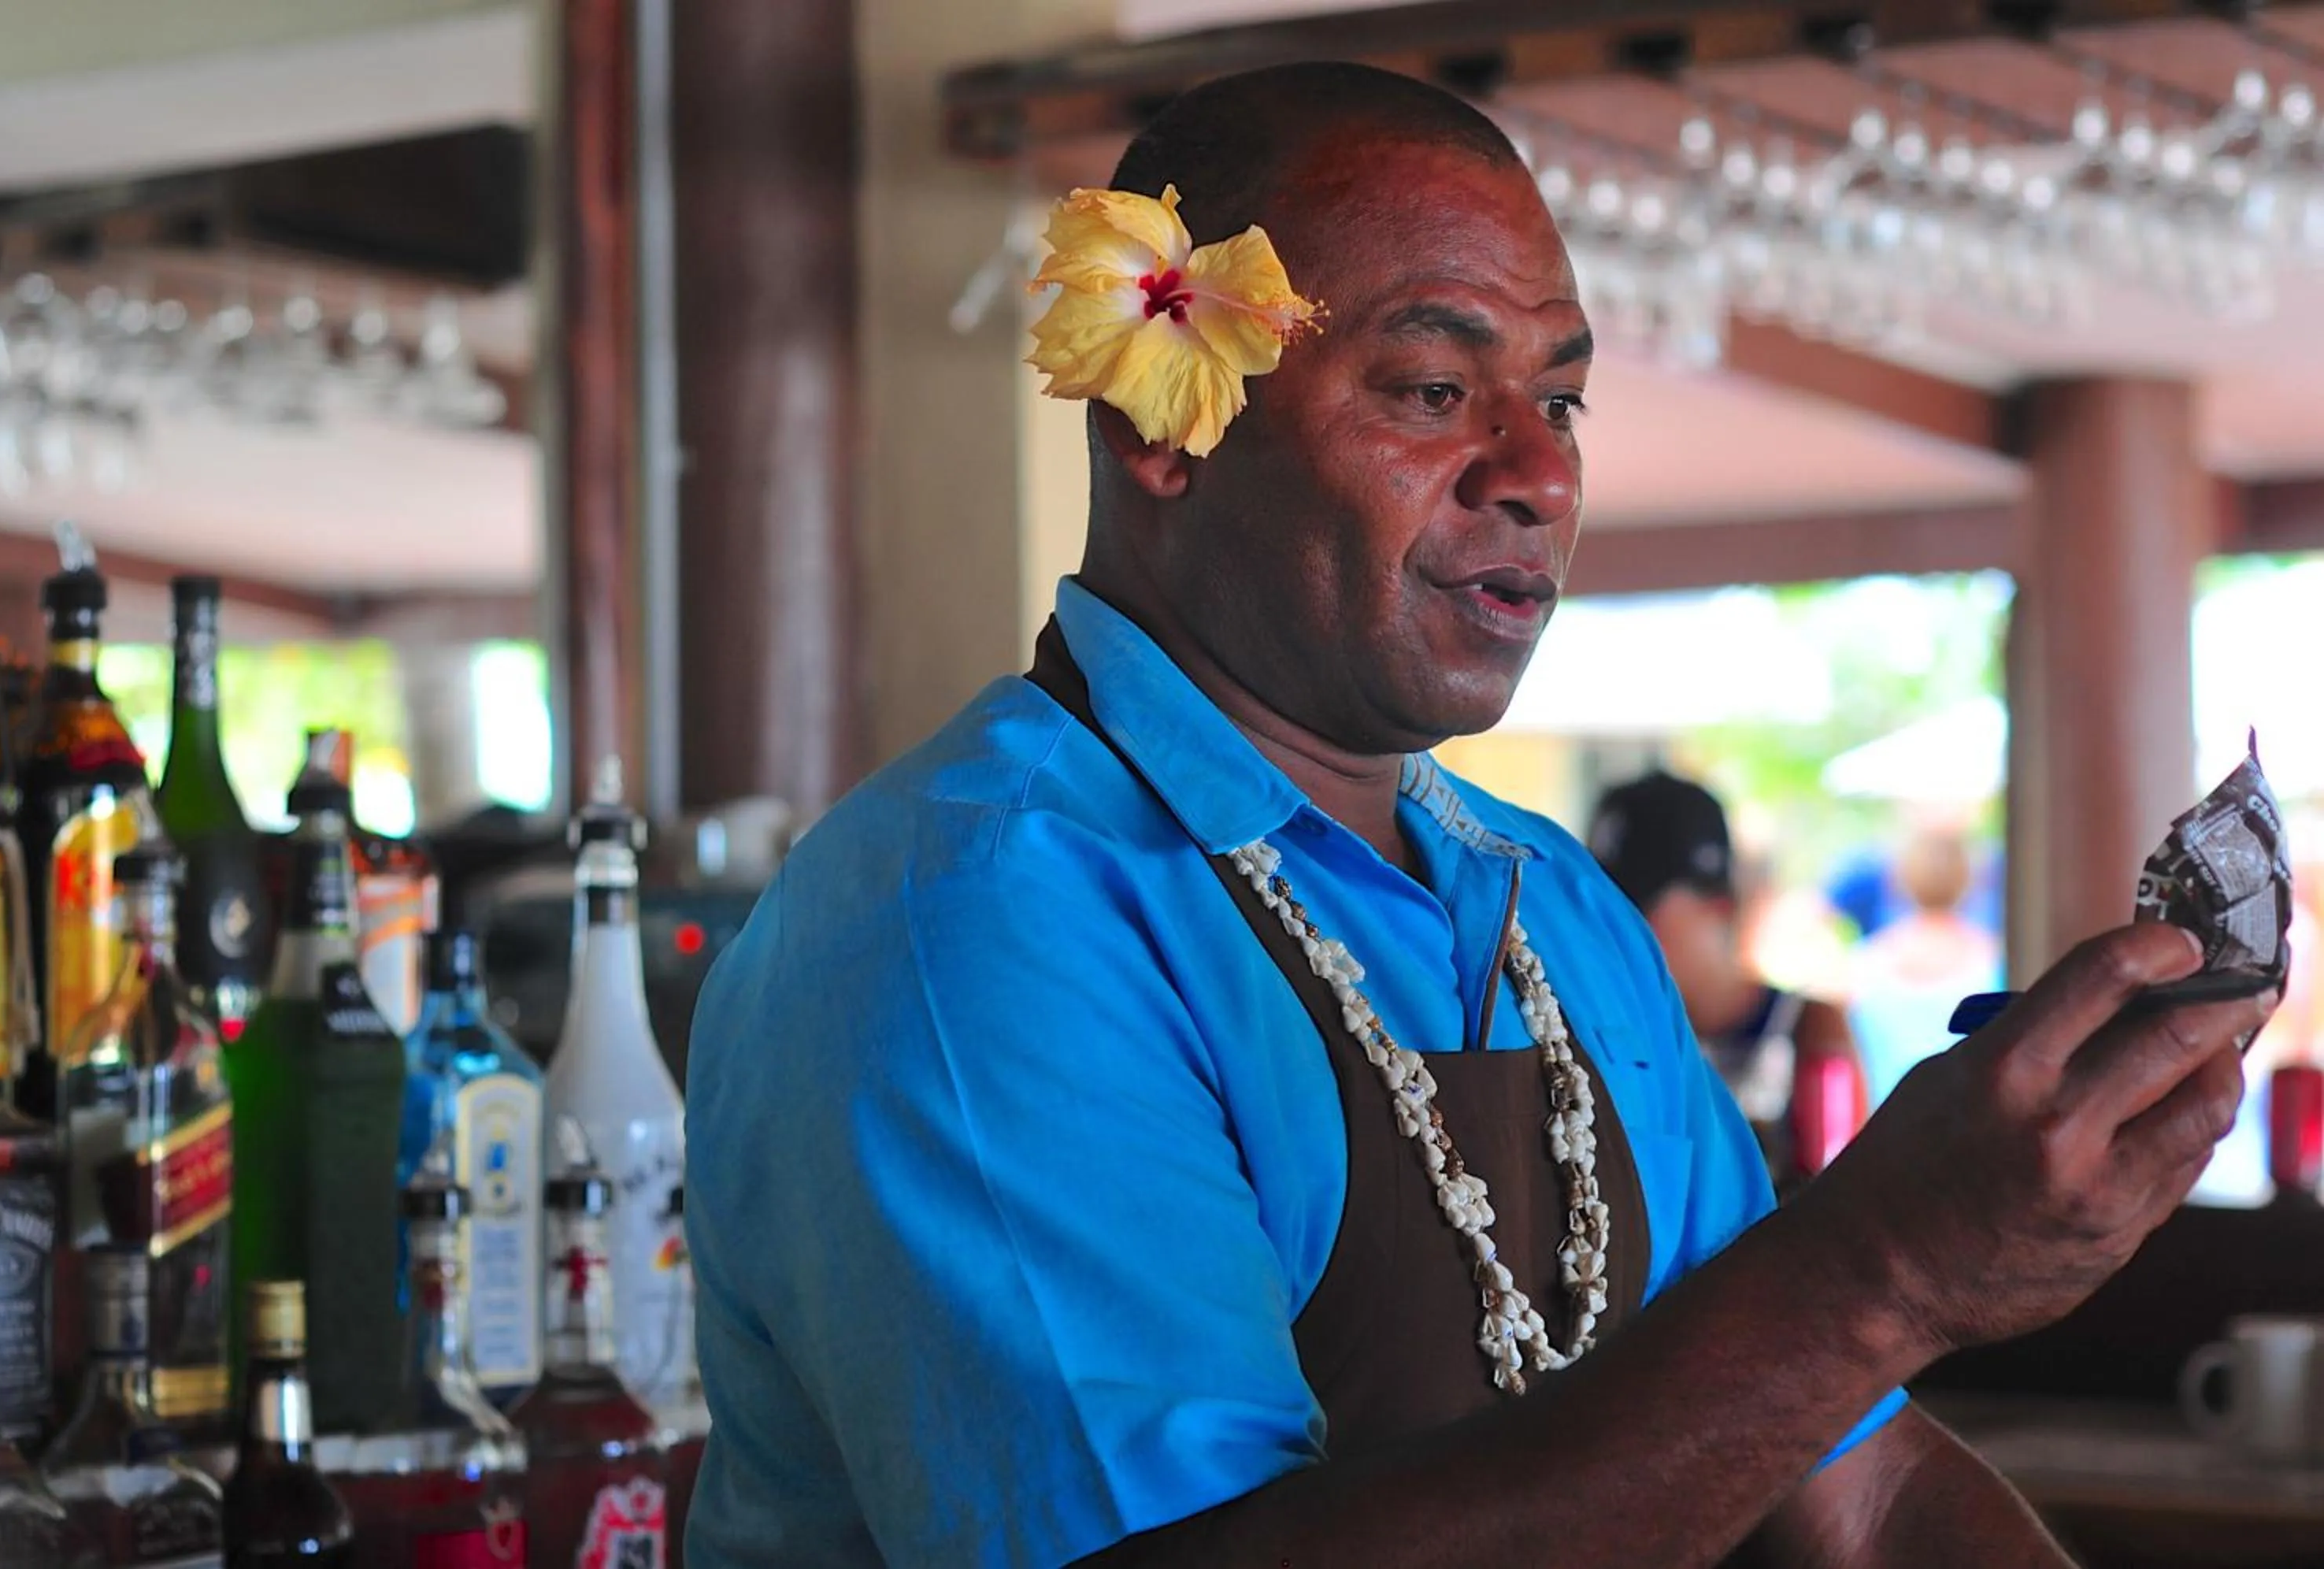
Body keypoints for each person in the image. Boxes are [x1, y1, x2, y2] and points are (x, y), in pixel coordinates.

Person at [684, 62, 2271, 1567]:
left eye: (1560, 402)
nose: (1539, 476)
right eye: (1437, 388)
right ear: (1161, 428)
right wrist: (1881, 1271)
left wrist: (1884, 1292)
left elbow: (1858, 1488)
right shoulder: (981, 913)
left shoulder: (1550, 906)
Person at [1586, 770, 1867, 1178]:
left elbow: (1843, 1186)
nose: (1611, 935)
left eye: (1635, 911)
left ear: (1718, 904)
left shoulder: (1808, 1031)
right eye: (1596, 915)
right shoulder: (1604, 1035)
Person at [1847, 825, 2006, 1107]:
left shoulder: (1864, 964)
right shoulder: (1995, 961)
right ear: (1970, 880)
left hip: (1884, 1120)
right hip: (1970, 1120)